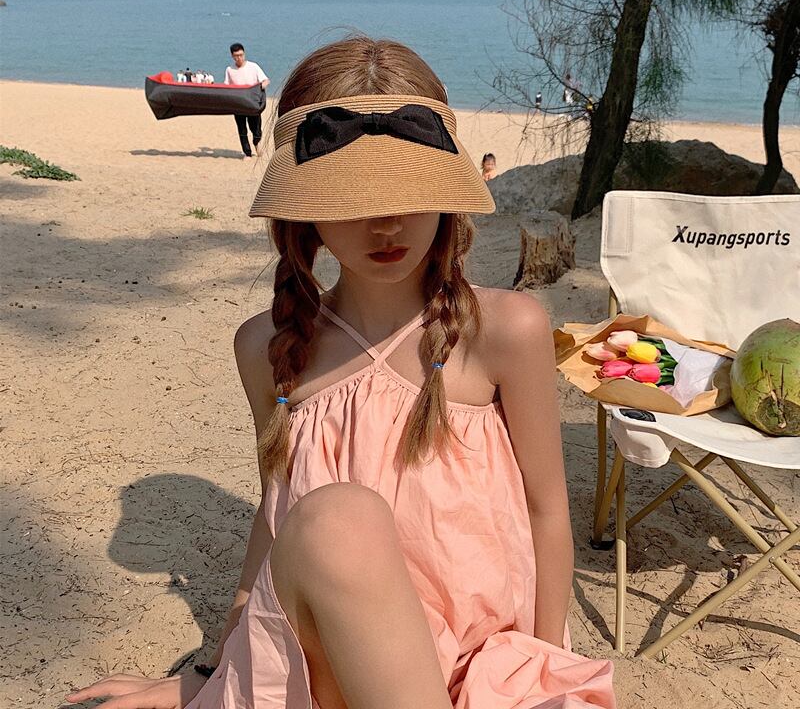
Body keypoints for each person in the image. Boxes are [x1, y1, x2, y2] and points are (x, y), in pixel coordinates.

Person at [66, 37, 615, 709]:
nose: (385, 222)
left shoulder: (504, 331)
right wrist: (216, 669)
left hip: (485, 665)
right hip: (340, 667)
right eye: (350, 196)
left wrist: (546, 668)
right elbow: (276, 517)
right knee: (336, 518)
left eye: (409, 189)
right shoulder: (268, 348)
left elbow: (546, 511)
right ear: (306, 212)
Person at [225, 42, 270, 158]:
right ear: (232, 56)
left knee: (256, 129)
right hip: (238, 105)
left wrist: (261, 87)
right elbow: (226, 86)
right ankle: (247, 153)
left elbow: (265, 80)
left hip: (252, 103)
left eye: (241, 55)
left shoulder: (253, 66)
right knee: (242, 130)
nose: (239, 58)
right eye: (236, 56)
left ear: (244, 54)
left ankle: (256, 143)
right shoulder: (229, 69)